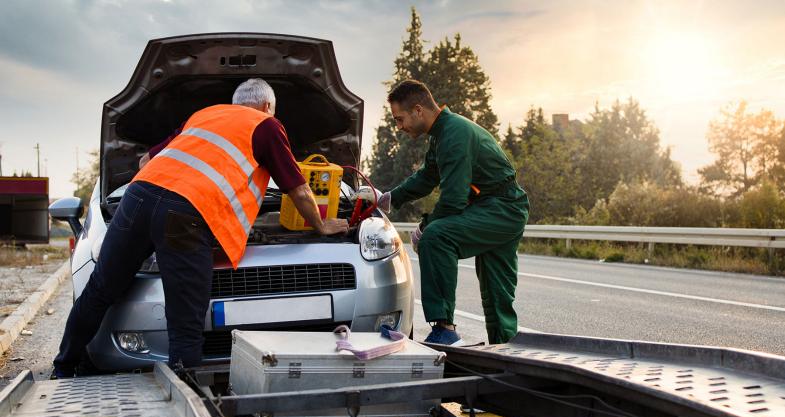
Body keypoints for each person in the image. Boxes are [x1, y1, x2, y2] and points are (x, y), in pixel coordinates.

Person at [52, 78, 348, 377]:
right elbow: (298, 190)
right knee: (185, 323)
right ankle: (186, 397)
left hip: (138, 197)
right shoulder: (266, 125)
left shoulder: (203, 116)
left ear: (235, 103)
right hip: (185, 214)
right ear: (267, 106)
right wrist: (321, 225)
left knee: (100, 290)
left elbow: (145, 161)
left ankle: (63, 368)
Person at [377, 79, 529, 346]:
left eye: (400, 119)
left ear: (418, 110)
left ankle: (444, 329)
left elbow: (454, 199)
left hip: (502, 207)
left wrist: (425, 227)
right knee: (496, 291)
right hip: (498, 207)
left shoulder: (454, 134)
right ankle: (505, 349)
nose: (399, 127)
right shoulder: (442, 133)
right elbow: (427, 177)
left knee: (437, 236)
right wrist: (388, 199)